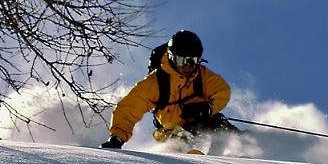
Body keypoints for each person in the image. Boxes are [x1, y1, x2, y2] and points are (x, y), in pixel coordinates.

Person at [100, 30, 239, 149]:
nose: (188, 66)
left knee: (220, 127)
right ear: (172, 58)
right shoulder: (156, 82)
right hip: (173, 133)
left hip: (204, 122)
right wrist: (117, 138)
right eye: (182, 60)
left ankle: (246, 151)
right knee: (193, 137)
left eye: (193, 61)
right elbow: (129, 107)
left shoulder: (202, 76)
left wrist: (207, 108)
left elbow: (222, 91)